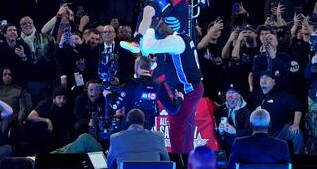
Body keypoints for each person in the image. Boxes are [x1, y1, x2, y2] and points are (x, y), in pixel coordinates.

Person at [142, 17, 203, 154]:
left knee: (176, 127)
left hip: (188, 91)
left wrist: (151, 27)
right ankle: (187, 158)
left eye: (160, 25)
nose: (159, 28)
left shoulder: (174, 41)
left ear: (167, 28)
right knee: (187, 126)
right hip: (192, 88)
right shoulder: (182, 37)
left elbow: (147, 47)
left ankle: (178, 161)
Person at [104, 56, 183, 130]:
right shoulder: (158, 85)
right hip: (148, 129)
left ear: (137, 66)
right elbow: (173, 109)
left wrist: (107, 94)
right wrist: (180, 98)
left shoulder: (132, 84)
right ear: (150, 67)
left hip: (130, 129)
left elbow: (115, 105)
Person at [250, 71, 304, 154]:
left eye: (267, 77)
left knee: (296, 133)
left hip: (279, 131)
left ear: (274, 81)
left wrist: (296, 124)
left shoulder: (281, 95)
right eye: (262, 77)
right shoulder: (255, 94)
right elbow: (251, 74)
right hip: (260, 132)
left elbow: (298, 107)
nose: (263, 79)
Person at [19, 16, 56, 103]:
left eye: (29, 23)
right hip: (29, 82)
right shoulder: (18, 42)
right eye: (24, 23)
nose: (27, 25)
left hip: (46, 80)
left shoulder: (46, 38)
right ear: (20, 27)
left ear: (34, 25)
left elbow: (53, 58)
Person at [0, 24, 31, 89]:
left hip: (20, 83)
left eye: (14, 30)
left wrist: (23, 56)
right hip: (3, 84)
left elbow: (30, 62)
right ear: (5, 34)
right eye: (10, 30)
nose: (12, 32)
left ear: (17, 34)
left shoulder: (23, 45)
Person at [27, 86, 73, 152]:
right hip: (42, 131)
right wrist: (47, 120)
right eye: (59, 98)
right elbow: (30, 116)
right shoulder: (46, 103)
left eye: (64, 98)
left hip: (57, 133)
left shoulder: (67, 107)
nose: (62, 101)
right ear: (54, 99)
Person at [214, 84, 251, 154]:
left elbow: (249, 131)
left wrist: (235, 131)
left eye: (233, 92)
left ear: (239, 95)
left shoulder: (247, 109)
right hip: (225, 147)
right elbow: (216, 131)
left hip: (242, 146)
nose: (230, 95)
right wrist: (220, 131)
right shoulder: (221, 109)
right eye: (228, 92)